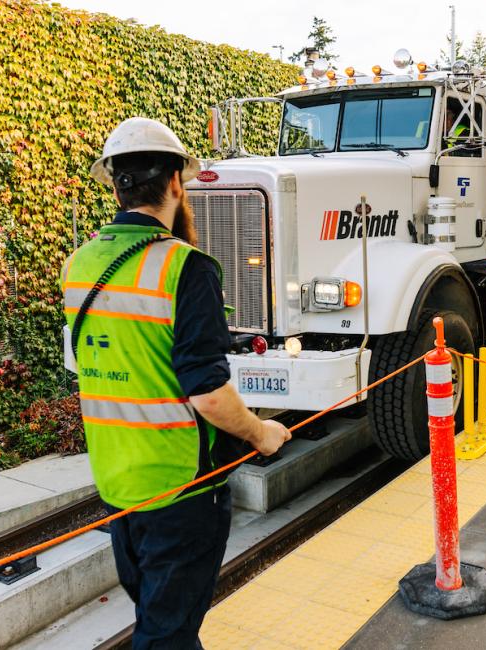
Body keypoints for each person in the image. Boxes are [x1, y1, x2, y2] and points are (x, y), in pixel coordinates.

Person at [62, 117, 291, 648]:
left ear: (115, 184)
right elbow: (208, 394)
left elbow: (93, 362)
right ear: (174, 183)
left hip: (118, 482)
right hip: (182, 488)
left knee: (162, 619)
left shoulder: (79, 265)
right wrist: (262, 434)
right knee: (166, 634)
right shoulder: (187, 269)